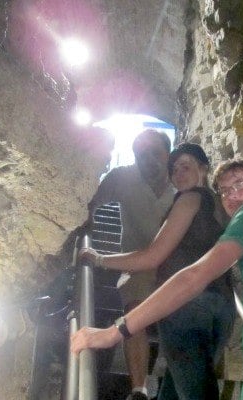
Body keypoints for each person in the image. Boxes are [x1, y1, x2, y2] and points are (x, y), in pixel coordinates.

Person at [72, 158, 243, 400]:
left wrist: (116, 330)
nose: (232, 195)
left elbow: (190, 274)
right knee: (181, 383)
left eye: (241, 184)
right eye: (224, 190)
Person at [80, 143, 236, 399]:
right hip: (222, 309)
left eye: (186, 166)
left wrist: (98, 259)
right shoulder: (221, 208)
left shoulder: (190, 198)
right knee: (178, 388)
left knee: (196, 392)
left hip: (185, 302)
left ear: (204, 169)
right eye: (174, 169)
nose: (179, 173)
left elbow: (152, 257)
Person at [88, 128, 175, 400]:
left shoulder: (183, 182)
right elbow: (88, 205)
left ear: (168, 153)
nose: (148, 159)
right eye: (141, 154)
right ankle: (139, 390)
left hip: (176, 266)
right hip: (137, 264)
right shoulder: (122, 178)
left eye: (155, 153)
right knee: (134, 312)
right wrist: (84, 232)